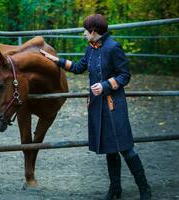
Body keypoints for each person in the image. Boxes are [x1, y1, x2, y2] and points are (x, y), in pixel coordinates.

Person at [40, 14, 151, 200]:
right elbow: (77, 67)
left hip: (115, 106)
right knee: (110, 148)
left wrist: (106, 85)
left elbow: (125, 75)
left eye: (85, 31)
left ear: (93, 32)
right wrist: (55, 60)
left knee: (126, 148)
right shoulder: (90, 49)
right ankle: (115, 189)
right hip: (97, 106)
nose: (83, 34)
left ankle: (144, 189)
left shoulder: (113, 47)